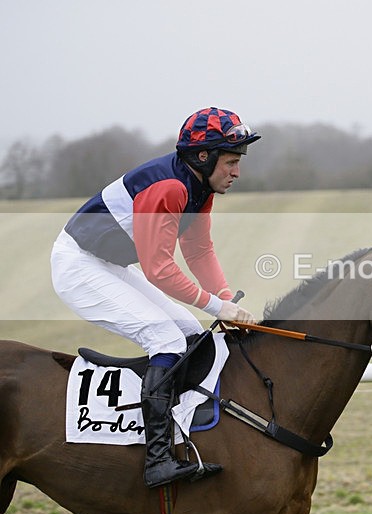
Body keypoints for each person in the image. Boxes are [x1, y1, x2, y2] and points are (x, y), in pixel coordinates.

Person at [51, 107, 259, 488]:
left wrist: (229, 302)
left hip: (109, 264)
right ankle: (157, 459)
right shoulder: (171, 188)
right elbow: (159, 270)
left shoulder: (199, 187)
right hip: (79, 265)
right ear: (204, 156)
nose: (237, 172)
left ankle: (183, 434)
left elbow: (199, 252)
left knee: (186, 329)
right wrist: (218, 306)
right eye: (231, 161)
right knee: (164, 338)